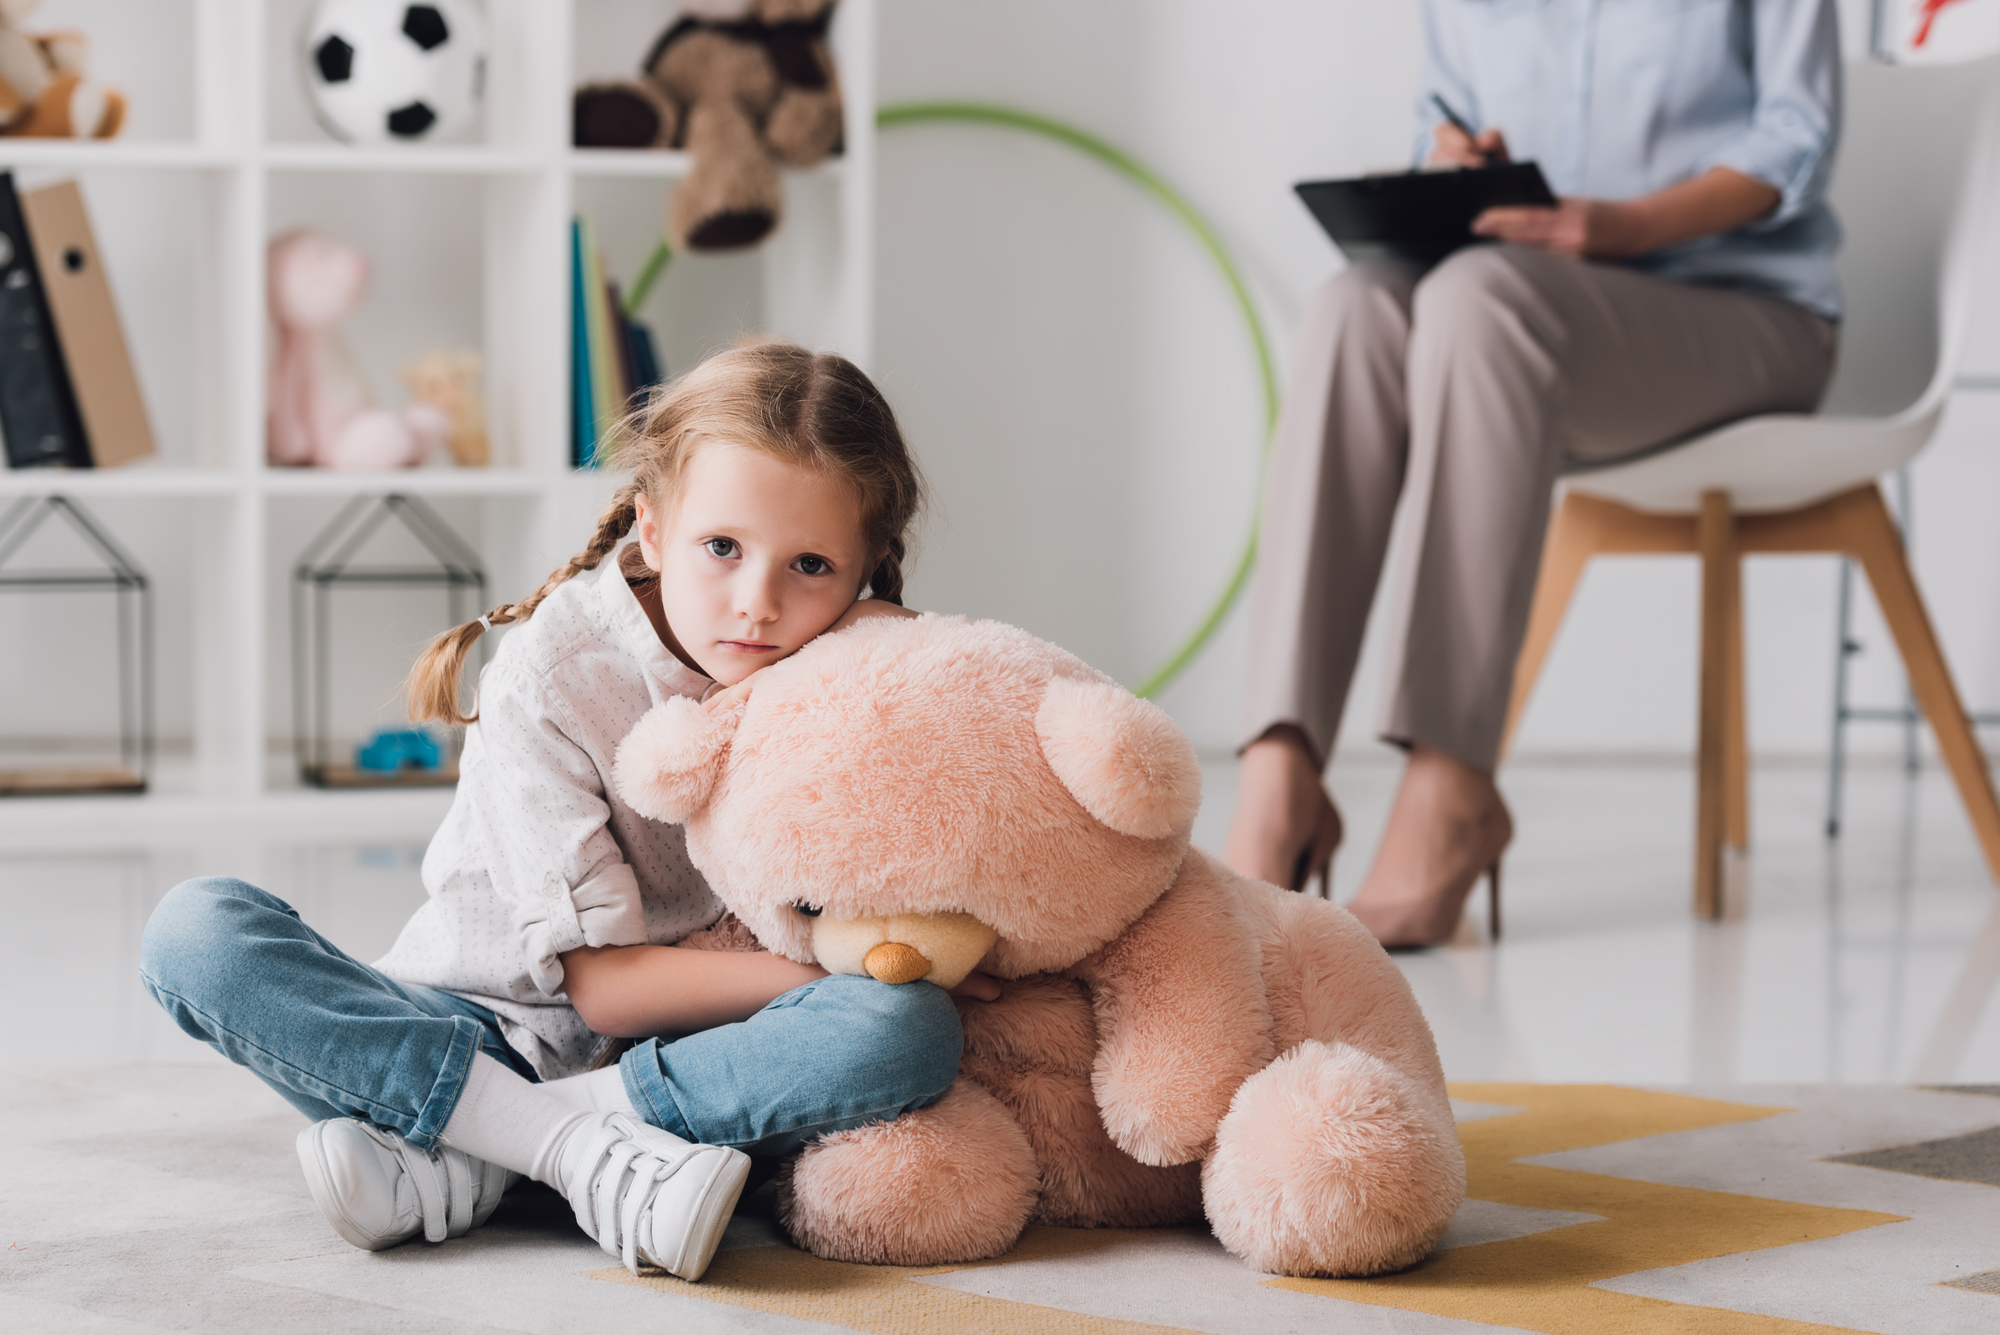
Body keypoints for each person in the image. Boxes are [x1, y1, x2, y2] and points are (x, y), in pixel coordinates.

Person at [139, 341, 986, 1281]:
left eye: (813, 564)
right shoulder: (556, 673)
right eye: (721, 548)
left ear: (867, 566)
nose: (759, 604)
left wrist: (893, 967)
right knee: (198, 932)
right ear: (653, 529)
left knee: (905, 1028)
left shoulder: (858, 672)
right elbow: (604, 989)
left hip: (681, 1057)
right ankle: (574, 1153)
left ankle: (471, 1155)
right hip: (474, 1023)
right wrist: (828, 966)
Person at [1226, 0, 1843, 947]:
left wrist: (1625, 225)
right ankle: (1281, 770)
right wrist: (1462, 164)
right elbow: (1445, 111)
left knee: (1484, 299)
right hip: (1522, 305)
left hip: (1739, 313)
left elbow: (1794, 141)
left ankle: (1451, 783)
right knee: (1353, 307)